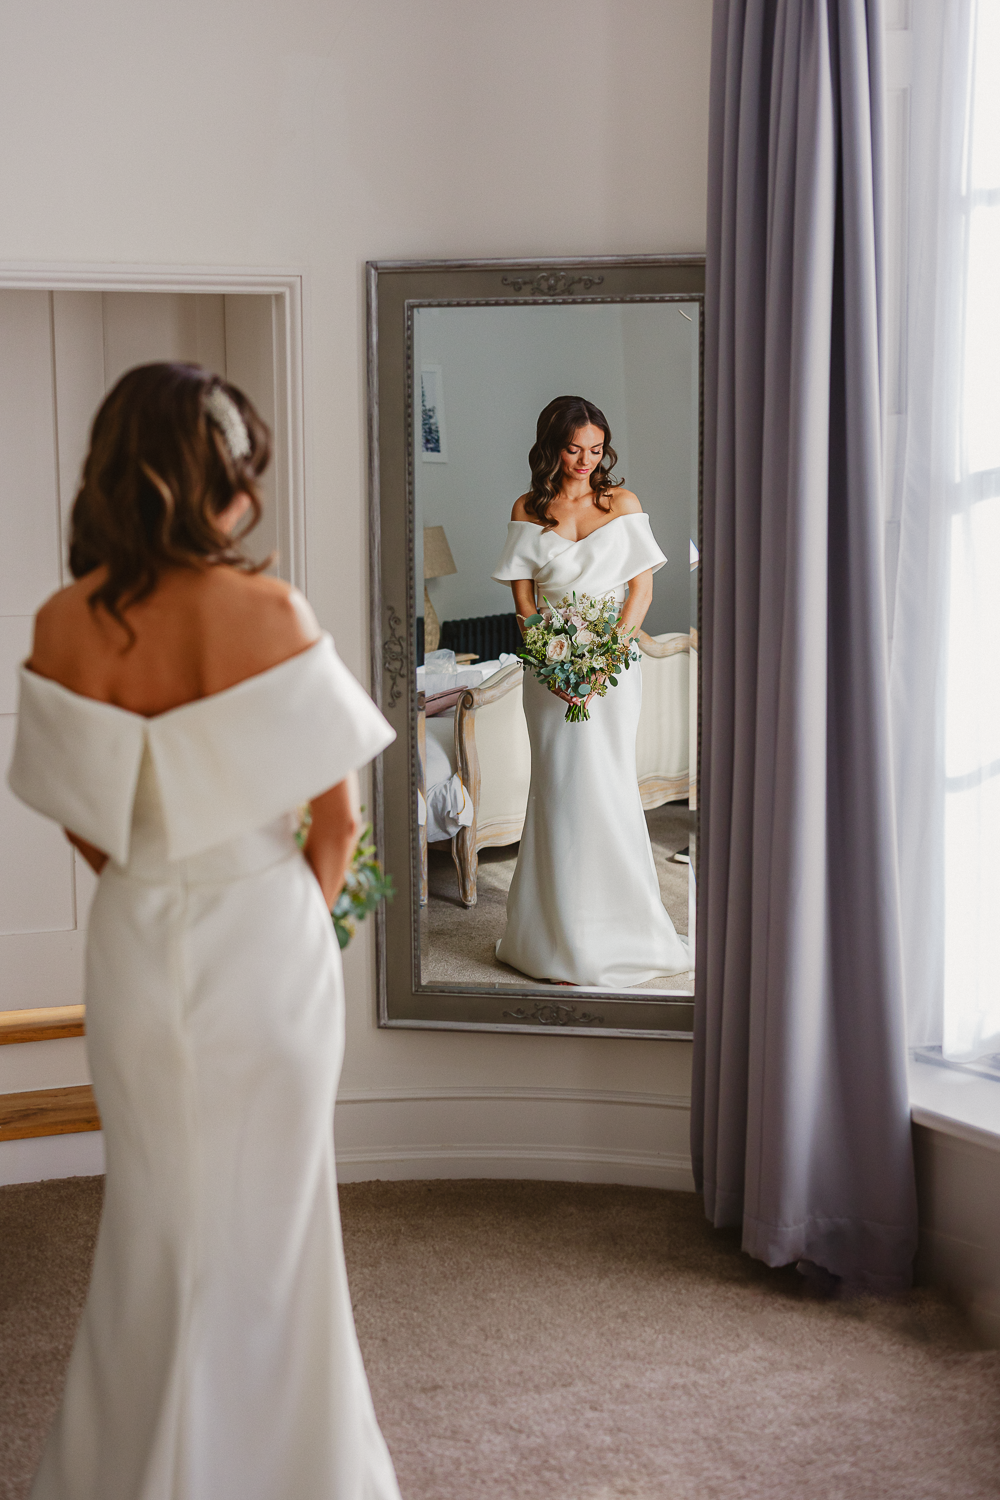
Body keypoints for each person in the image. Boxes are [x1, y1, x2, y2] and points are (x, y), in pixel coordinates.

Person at [7, 364, 401, 1500]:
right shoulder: (271, 612)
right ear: (218, 471)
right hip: (266, 938)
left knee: (153, 1220)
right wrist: (285, 923)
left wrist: (153, 879)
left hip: (135, 939)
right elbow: (336, 821)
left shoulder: (61, 622)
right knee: (279, 1227)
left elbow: (87, 832)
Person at [491, 395, 691, 988]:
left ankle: (624, 929)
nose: (585, 460)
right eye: (574, 449)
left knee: (606, 784)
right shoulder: (528, 507)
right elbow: (525, 602)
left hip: (612, 669)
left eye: (596, 449)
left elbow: (640, 595)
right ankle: (550, 935)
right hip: (547, 668)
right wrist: (551, 661)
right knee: (557, 789)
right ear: (552, 446)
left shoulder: (621, 503)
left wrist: (603, 660)